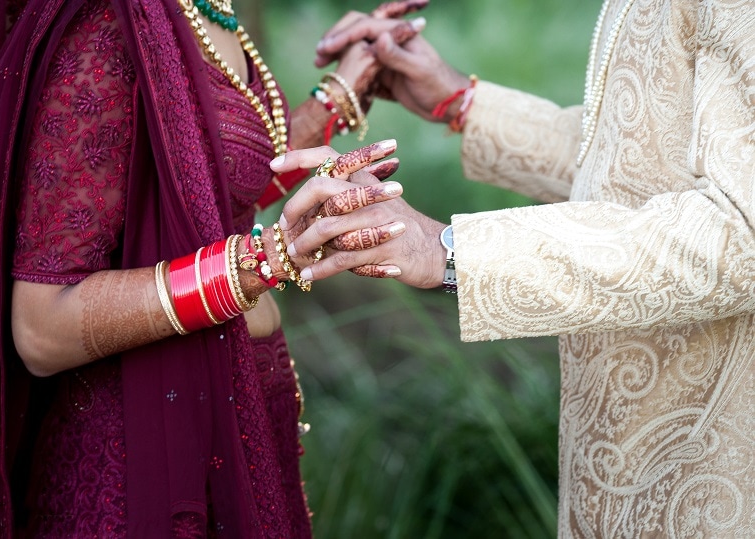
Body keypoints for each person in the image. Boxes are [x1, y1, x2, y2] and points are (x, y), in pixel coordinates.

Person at [273, 1, 755, 536]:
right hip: (632, 430)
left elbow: (742, 234)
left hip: (716, 449)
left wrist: (449, 250)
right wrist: (463, 103)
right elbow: (639, 157)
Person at [0, 0, 424, 536]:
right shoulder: (107, 28)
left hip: (237, 416)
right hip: (139, 465)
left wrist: (339, 95)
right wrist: (264, 263)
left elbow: (205, 191)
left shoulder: (205, 9)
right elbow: (41, 325)